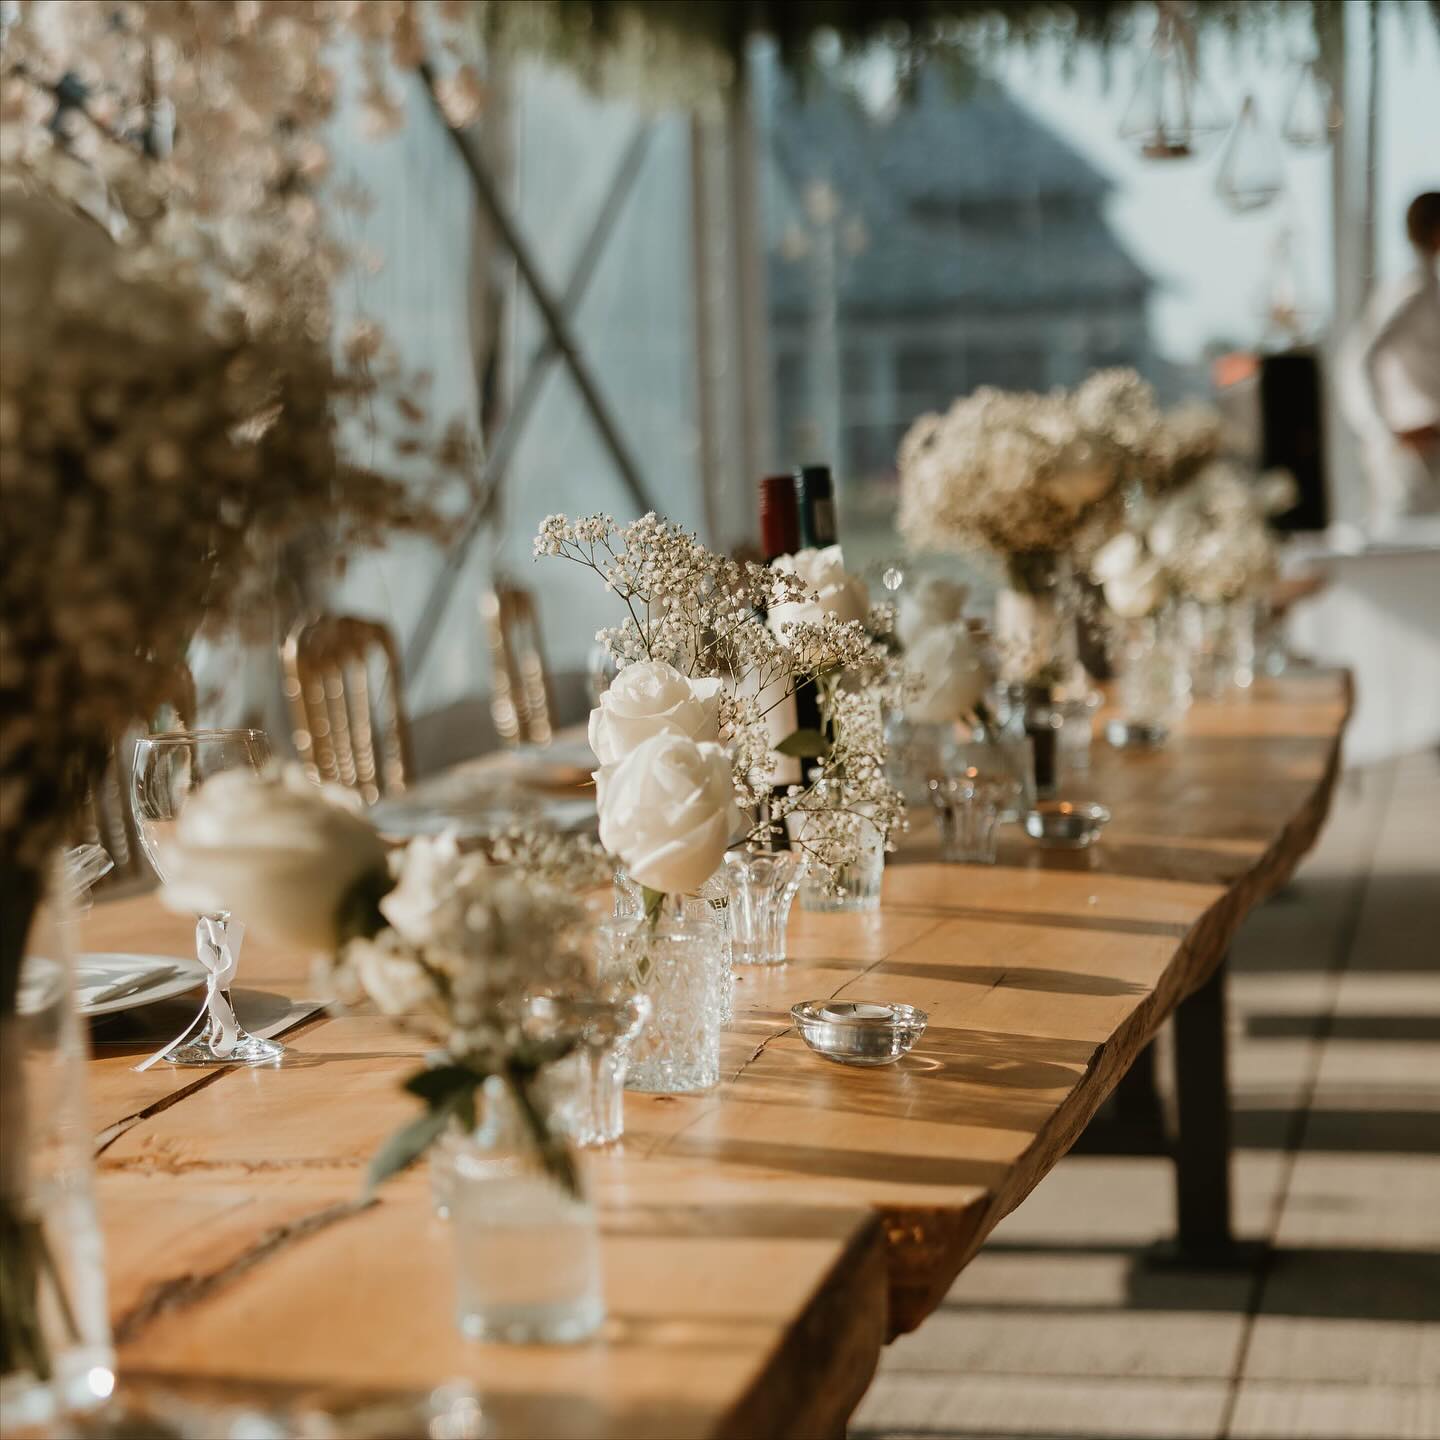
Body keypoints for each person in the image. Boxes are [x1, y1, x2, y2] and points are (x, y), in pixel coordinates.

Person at [1340, 191, 1440, 528]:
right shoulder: (1415, 291)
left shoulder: (1415, 287)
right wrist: (1389, 431)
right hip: (1417, 459)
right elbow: (1365, 358)